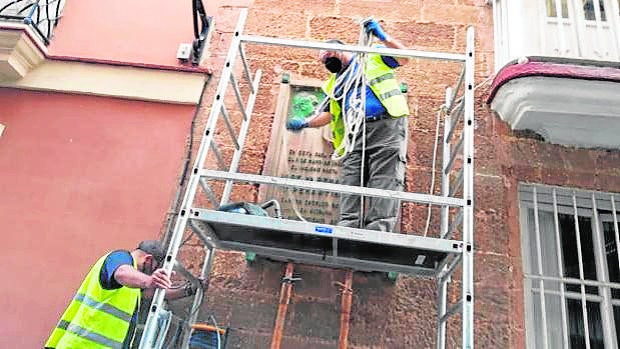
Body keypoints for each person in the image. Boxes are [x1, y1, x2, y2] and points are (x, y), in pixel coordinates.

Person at [286, 19, 410, 232]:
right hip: (355, 133)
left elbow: (405, 58)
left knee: (385, 178)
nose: (326, 62)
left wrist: (383, 37)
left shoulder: (371, 56)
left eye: (328, 56)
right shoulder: (334, 83)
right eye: (323, 61)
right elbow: (327, 114)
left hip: (386, 125)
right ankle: (348, 224)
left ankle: (378, 229)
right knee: (350, 178)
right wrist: (305, 123)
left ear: (339, 50)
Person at [45, 240, 205, 349]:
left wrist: (189, 289)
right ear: (148, 260)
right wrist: (149, 280)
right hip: (80, 345)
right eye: (155, 268)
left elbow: (156, 294)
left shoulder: (134, 282)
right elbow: (121, 273)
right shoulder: (120, 258)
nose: (155, 273)